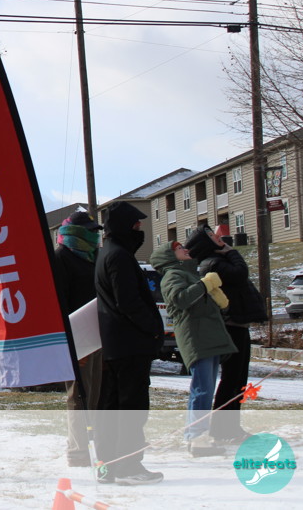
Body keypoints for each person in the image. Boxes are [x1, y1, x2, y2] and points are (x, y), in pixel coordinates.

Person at [94, 202, 164, 485]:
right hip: (130, 343)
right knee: (132, 409)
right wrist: (153, 329)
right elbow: (128, 301)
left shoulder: (107, 253)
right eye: (136, 225)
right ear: (123, 226)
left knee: (112, 408)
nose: (140, 230)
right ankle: (128, 467)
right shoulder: (119, 256)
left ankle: (108, 467)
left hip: (116, 344)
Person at [150, 240, 234, 457]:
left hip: (207, 338)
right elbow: (180, 299)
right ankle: (196, 438)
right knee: (202, 389)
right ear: (170, 257)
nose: (185, 250)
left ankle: (198, 437)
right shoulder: (173, 275)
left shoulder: (188, 274)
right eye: (180, 249)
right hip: (196, 338)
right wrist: (205, 285)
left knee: (206, 389)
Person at [185, 225, 267, 444]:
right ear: (206, 243)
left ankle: (230, 427)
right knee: (232, 379)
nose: (219, 238)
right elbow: (240, 274)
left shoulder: (217, 261)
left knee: (238, 380)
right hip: (231, 325)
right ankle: (223, 429)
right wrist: (232, 252)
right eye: (212, 236)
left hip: (238, 324)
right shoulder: (213, 263)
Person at [54, 211, 103, 468]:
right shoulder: (62, 256)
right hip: (75, 337)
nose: (96, 235)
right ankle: (77, 450)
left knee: (94, 392)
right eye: (91, 231)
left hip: (95, 335)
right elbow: (57, 301)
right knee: (78, 395)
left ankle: (90, 442)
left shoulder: (92, 256)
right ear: (78, 232)